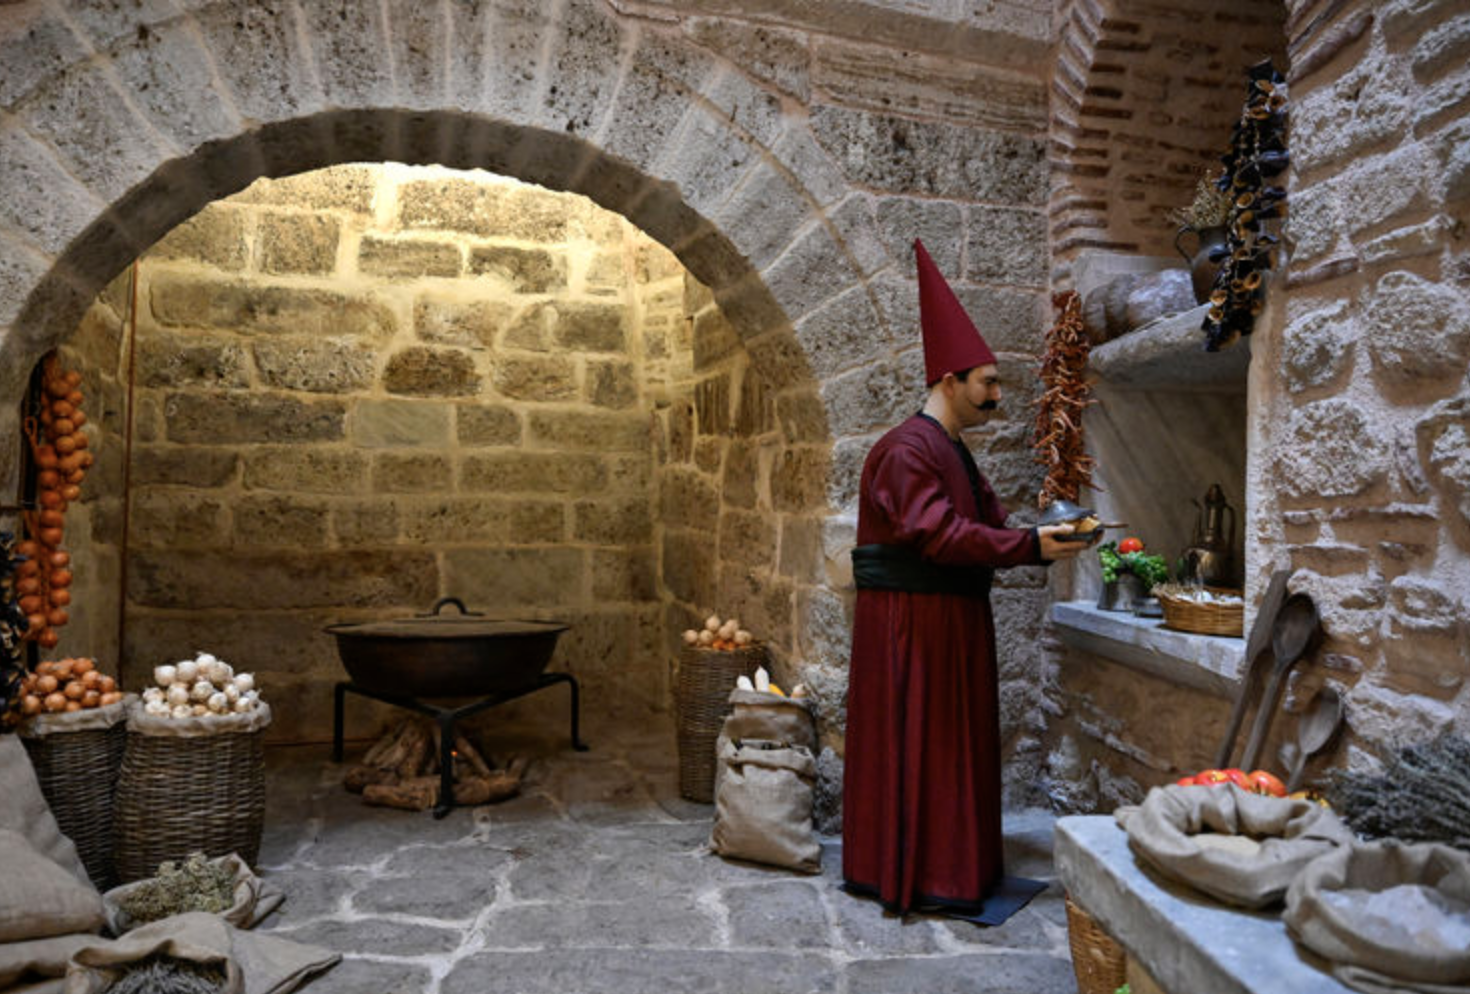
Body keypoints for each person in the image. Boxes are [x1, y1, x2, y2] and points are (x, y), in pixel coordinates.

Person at [841, 239, 1088, 919]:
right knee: (923, 745)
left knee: (953, 749)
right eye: (988, 383)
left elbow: (989, 521)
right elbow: (939, 535)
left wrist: (1047, 533)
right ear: (949, 382)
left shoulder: (953, 450)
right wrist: (1029, 547)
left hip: (951, 623)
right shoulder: (905, 450)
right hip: (913, 629)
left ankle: (953, 869)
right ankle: (916, 874)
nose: (998, 396)